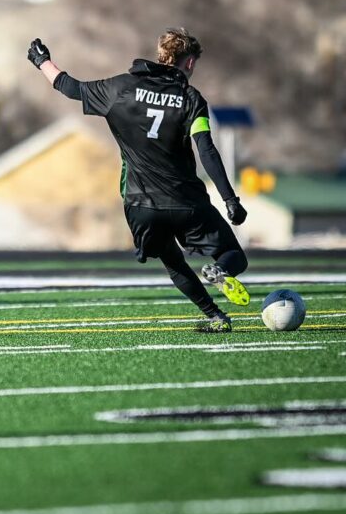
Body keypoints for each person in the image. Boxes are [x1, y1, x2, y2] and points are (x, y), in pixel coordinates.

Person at [26, 29, 250, 332]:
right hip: (186, 202)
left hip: (140, 206)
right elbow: (206, 150)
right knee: (234, 256)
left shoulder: (121, 88)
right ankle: (219, 270)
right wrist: (230, 199)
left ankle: (215, 316)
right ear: (189, 63)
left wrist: (42, 61)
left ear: (161, 54)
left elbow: (69, 86)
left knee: (173, 262)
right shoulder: (190, 99)